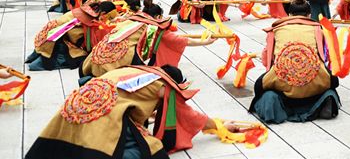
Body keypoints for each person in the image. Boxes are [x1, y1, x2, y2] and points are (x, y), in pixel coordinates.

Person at [26, 65, 246, 158]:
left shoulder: (135, 71)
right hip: (103, 114)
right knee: (148, 149)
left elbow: (131, 99)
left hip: (78, 103)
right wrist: (219, 126)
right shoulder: (163, 86)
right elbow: (186, 114)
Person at [249, 0, 340, 123]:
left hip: (282, 84)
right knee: (332, 84)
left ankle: (274, 108)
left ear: (290, 14)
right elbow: (325, 56)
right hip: (313, 85)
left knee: (262, 88)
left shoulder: (276, 30)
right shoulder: (318, 30)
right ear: (309, 15)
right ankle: (323, 104)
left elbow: (266, 59)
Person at [80, 0, 216, 78]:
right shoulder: (154, 27)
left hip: (93, 58)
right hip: (114, 63)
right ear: (157, 17)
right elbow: (180, 40)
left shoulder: (130, 18)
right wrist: (204, 41)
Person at [26, 1, 120, 71]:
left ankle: (34, 56)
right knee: (80, 57)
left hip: (50, 32)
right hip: (55, 38)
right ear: (103, 13)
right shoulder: (87, 19)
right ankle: (37, 63)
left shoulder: (88, 10)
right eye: (109, 18)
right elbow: (89, 42)